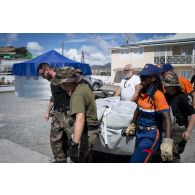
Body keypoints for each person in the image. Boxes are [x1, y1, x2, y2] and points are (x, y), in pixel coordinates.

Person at [125, 64, 173, 163]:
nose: (141, 78)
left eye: (144, 77)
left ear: (153, 78)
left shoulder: (158, 95)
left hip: (150, 136)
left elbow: (167, 119)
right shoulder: (142, 92)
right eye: (141, 76)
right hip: (139, 133)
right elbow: (138, 109)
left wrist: (167, 142)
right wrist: (132, 124)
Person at [52, 67, 100, 163]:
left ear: (65, 83)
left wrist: (75, 144)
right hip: (92, 129)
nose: (61, 86)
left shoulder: (77, 95)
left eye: (61, 84)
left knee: (78, 160)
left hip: (86, 132)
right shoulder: (83, 87)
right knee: (86, 158)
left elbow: (80, 119)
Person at [37, 63, 72, 163]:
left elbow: (72, 93)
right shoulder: (53, 82)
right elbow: (53, 98)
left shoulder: (62, 78)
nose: (42, 77)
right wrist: (47, 112)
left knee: (72, 139)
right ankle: (60, 160)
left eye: (42, 74)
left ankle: (76, 160)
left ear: (47, 70)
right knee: (55, 139)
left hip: (67, 113)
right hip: (57, 113)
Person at [162, 73, 195, 162]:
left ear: (173, 86)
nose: (165, 87)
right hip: (168, 128)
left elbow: (193, 115)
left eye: (167, 86)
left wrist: (188, 131)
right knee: (165, 154)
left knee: (174, 155)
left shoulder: (182, 97)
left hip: (178, 129)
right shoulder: (165, 96)